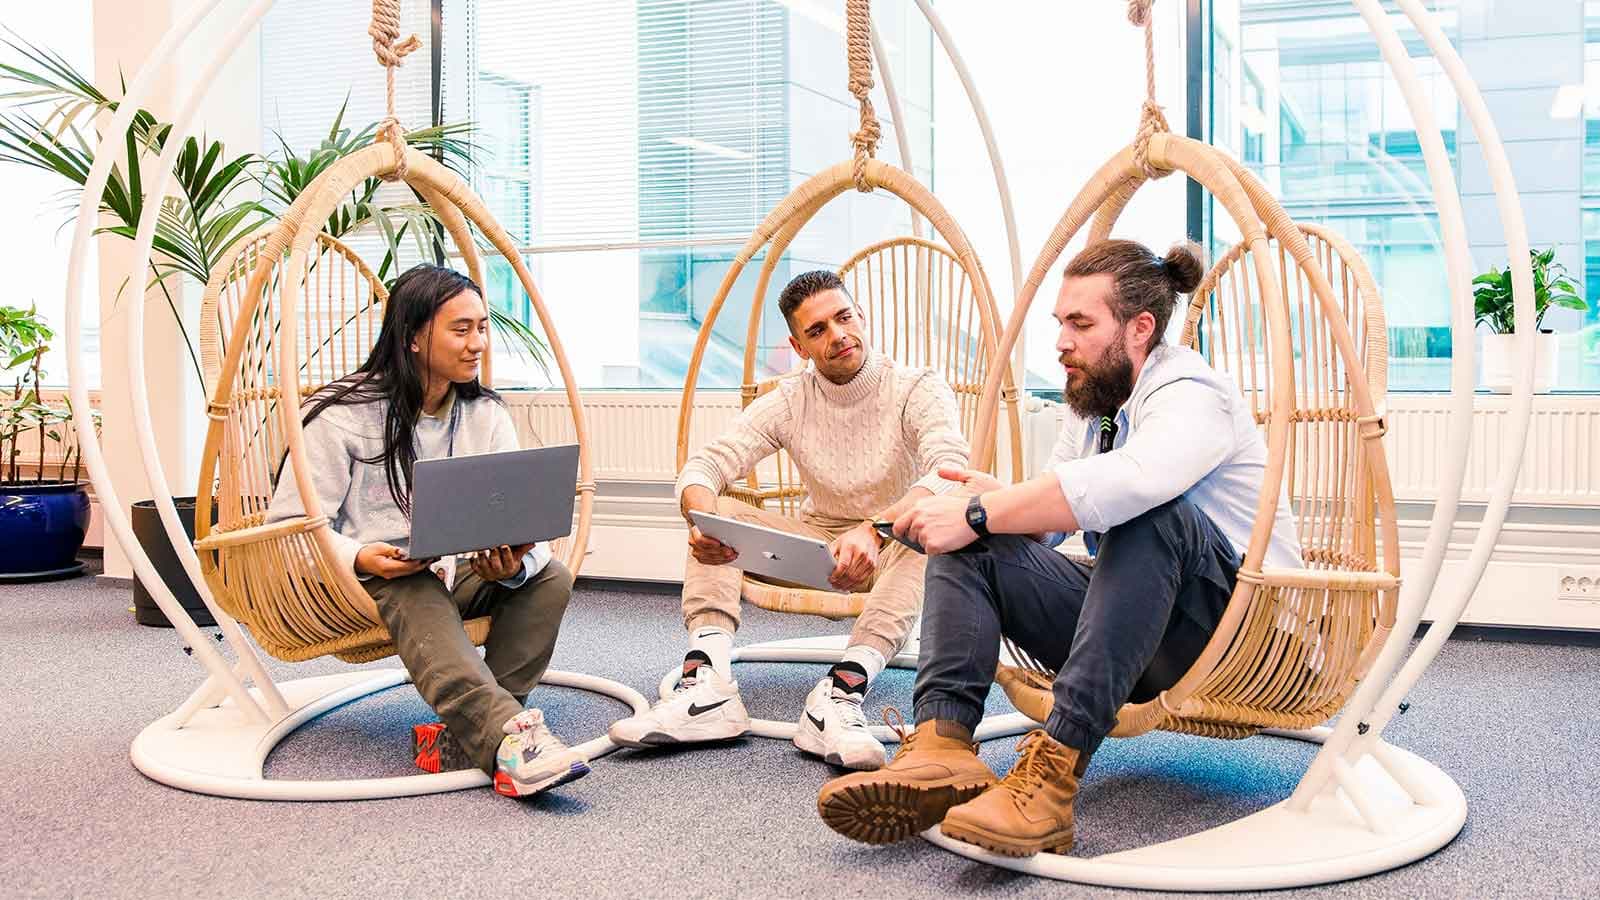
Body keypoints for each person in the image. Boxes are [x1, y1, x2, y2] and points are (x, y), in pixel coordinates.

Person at [816, 239, 1302, 854]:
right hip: (1133, 637)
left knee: (1149, 512)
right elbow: (1052, 524)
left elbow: (1133, 484)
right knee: (974, 540)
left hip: (1243, 641)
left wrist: (980, 511)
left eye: (1081, 324)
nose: (1062, 342)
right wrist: (991, 504)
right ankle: (942, 746)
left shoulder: (1192, 391)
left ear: (1140, 328)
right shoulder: (1093, 402)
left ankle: (1052, 778)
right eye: (1060, 324)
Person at [608, 270, 970, 770]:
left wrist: (875, 529)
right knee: (717, 516)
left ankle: (840, 695)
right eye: (818, 330)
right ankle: (709, 685)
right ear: (799, 347)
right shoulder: (788, 399)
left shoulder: (916, 387)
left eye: (844, 318)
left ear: (861, 317)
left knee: (928, 535)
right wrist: (700, 521)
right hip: (816, 547)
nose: (838, 335)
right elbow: (704, 466)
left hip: (891, 546)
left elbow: (949, 470)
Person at [266, 264, 584, 799]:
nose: (477, 343)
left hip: (453, 569)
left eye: (482, 327)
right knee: (414, 583)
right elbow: (289, 531)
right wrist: (361, 556)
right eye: (461, 330)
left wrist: (512, 563)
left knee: (549, 577)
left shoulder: (485, 414)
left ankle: (472, 737)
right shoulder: (341, 415)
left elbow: (513, 518)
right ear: (413, 337)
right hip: (365, 582)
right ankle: (510, 738)